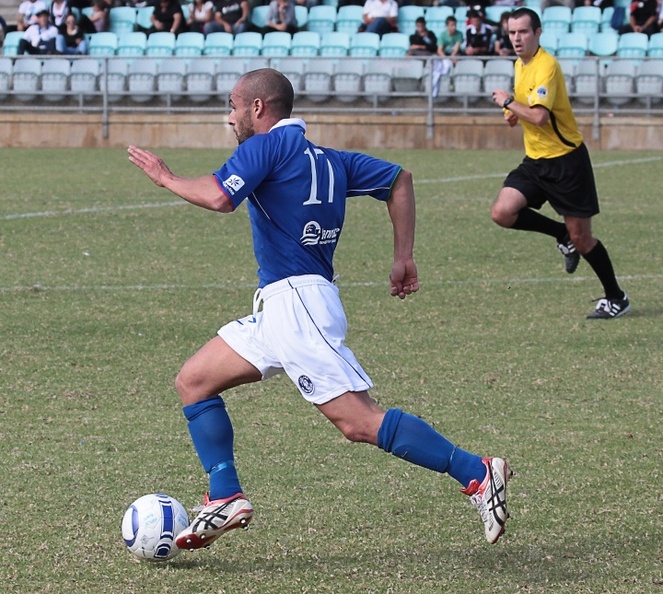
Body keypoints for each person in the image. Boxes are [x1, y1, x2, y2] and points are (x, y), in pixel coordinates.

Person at [127, 68, 512, 550]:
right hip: (281, 306)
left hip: (299, 305)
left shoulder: (265, 147)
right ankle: (224, 495)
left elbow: (219, 197)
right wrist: (402, 256)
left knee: (357, 421)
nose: (230, 118)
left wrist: (164, 177)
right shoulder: (330, 160)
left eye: (232, 106)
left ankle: (477, 471)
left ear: (259, 108)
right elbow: (399, 179)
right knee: (194, 380)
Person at [490, 8, 630, 319]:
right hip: (536, 161)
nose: (516, 38)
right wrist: (512, 112)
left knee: (583, 238)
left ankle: (616, 297)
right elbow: (525, 111)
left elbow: (539, 116)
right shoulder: (519, 64)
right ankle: (560, 234)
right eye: (512, 32)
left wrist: (508, 102)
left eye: (523, 32)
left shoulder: (547, 66)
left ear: (538, 33)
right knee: (502, 211)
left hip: (567, 162)